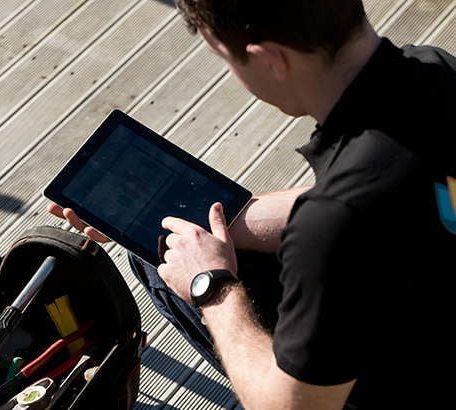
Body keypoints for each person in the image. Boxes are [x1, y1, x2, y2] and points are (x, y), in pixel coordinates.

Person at [49, 0, 456, 408]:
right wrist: (219, 221)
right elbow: (401, 200)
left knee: (158, 263)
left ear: (269, 60)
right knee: (171, 243)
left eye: (226, 59)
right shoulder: (438, 72)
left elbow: (292, 406)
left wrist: (209, 284)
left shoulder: (333, 227)